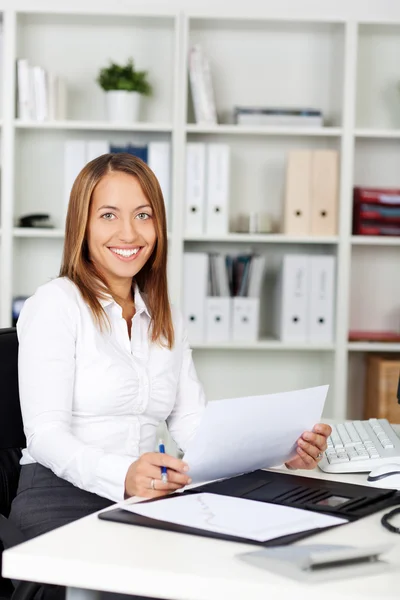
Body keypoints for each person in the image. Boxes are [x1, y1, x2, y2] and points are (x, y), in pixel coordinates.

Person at [9, 152, 331, 543]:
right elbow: (45, 435)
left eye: (143, 215)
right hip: (60, 499)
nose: (129, 234)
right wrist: (123, 475)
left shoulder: (167, 316)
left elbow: (193, 427)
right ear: (82, 225)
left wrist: (281, 453)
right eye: (108, 215)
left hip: (145, 499)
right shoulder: (55, 304)